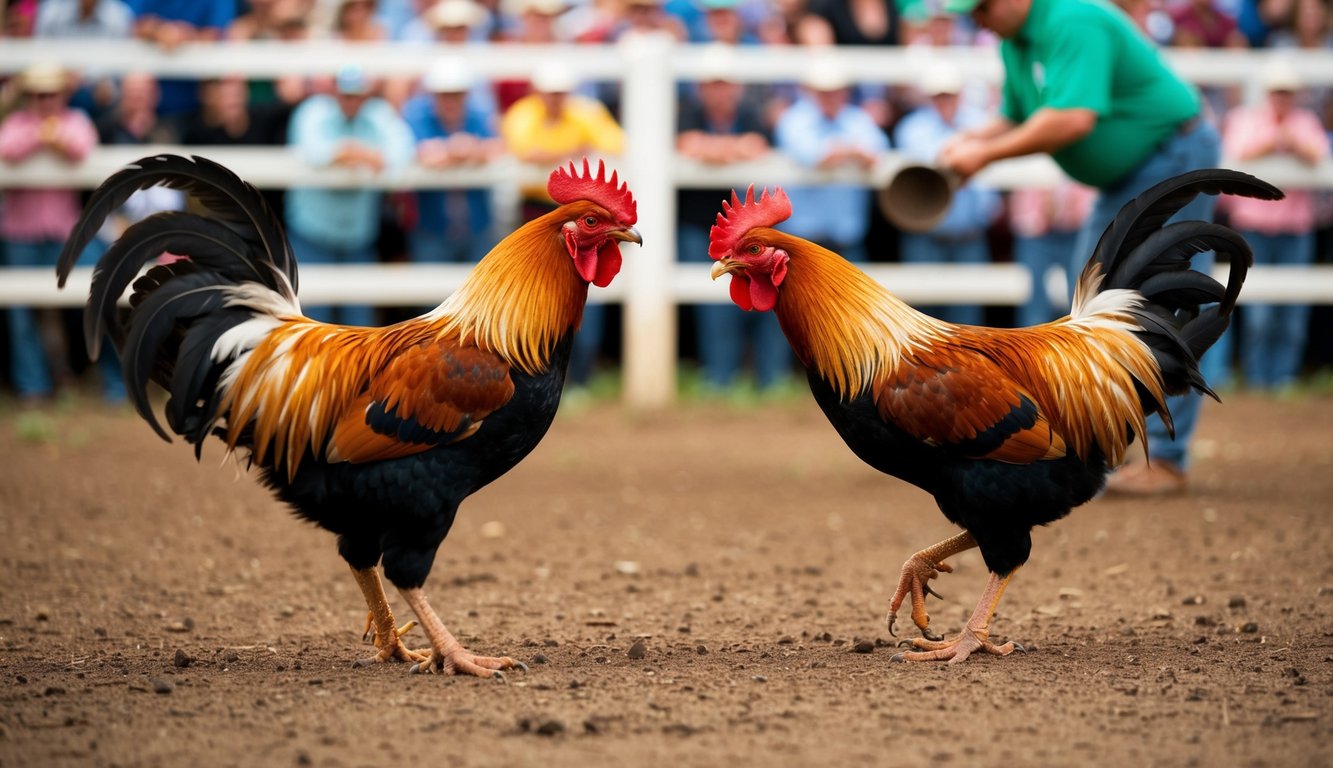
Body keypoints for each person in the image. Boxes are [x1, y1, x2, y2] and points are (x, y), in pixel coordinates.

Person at [939, 0, 1222, 496]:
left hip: (1169, 154)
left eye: (981, 8)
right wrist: (968, 140)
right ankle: (1113, 437)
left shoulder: (1073, 20)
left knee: (1161, 303)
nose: (976, 20)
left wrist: (982, 154)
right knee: (1093, 303)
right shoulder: (1017, 40)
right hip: (1130, 171)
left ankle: (1167, 457)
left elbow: (1072, 120)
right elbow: (1015, 114)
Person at [499, 63, 626, 387]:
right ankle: (539, 370)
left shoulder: (584, 113)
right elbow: (527, 152)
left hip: (575, 211)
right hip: (537, 210)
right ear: (539, 92)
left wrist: (554, 154)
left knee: (582, 289)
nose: (555, 99)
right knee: (535, 292)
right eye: (550, 92)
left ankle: (579, 375)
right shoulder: (524, 114)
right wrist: (576, 149)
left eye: (560, 93)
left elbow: (615, 145)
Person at [676, 46, 789, 392]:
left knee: (762, 300)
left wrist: (712, 150)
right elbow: (688, 144)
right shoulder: (690, 112)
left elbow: (756, 146)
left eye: (725, 84)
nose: (720, 91)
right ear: (702, 88)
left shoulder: (750, 113)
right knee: (713, 306)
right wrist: (733, 149)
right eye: (713, 84)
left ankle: (766, 378)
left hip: (746, 229)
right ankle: (719, 376)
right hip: (701, 223)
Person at [1221, 58, 1330, 392]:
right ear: (1267, 92)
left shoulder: (1306, 121)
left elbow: (1319, 155)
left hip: (1294, 227)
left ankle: (1283, 377)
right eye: (1277, 91)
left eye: (1287, 92)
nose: (1282, 97)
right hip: (1255, 225)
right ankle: (1257, 378)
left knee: (1292, 313)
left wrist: (1292, 144)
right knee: (1259, 313)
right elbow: (1236, 154)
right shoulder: (1245, 119)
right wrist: (1275, 142)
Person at [284, 64, 415, 327]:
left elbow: (403, 152)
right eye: (346, 94)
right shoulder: (313, 111)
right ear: (333, 91)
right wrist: (366, 155)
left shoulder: (378, 114)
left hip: (358, 238)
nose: (351, 101)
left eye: (357, 94)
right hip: (313, 236)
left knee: (358, 328)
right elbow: (314, 152)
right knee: (312, 328)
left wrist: (344, 154)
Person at [0, 63, 100, 404]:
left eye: (51, 93)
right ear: (29, 95)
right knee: (21, 313)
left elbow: (81, 148)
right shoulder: (17, 124)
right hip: (20, 233)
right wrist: (44, 135)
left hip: (64, 232)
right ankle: (33, 387)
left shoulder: (77, 120)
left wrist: (47, 136)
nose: (44, 100)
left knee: (96, 298)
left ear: (62, 94)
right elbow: (7, 150)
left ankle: (109, 382)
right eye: (38, 94)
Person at [892, 63, 1002, 326]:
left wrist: (986, 209)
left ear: (960, 95)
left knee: (968, 316)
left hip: (968, 233)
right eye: (940, 96)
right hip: (927, 234)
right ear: (931, 98)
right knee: (922, 318)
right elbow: (934, 167)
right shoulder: (913, 128)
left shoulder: (977, 123)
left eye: (949, 95)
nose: (945, 101)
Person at [773, 57, 888, 265]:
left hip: (846, 238)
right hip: (804, 241)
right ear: (811, 90)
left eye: (835, 90)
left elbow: (876, 154)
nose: (830, 96)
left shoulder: (856, 119)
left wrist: (841, 152)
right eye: (824, 90)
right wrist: (853, 152)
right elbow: (813, 156)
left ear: (845, 91)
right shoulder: (794, 120)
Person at [402, 57, 502, 265]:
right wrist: (465, 150)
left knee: (480, 294)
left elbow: (498, 148)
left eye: (456, 95)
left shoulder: (479, 113)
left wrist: (449, 151)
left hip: (478, 226)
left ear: (466, 95)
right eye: (444, 95)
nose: (450, 101)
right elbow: (420, 153)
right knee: (432, 293)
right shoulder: (417, 114)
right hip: (431, 228)